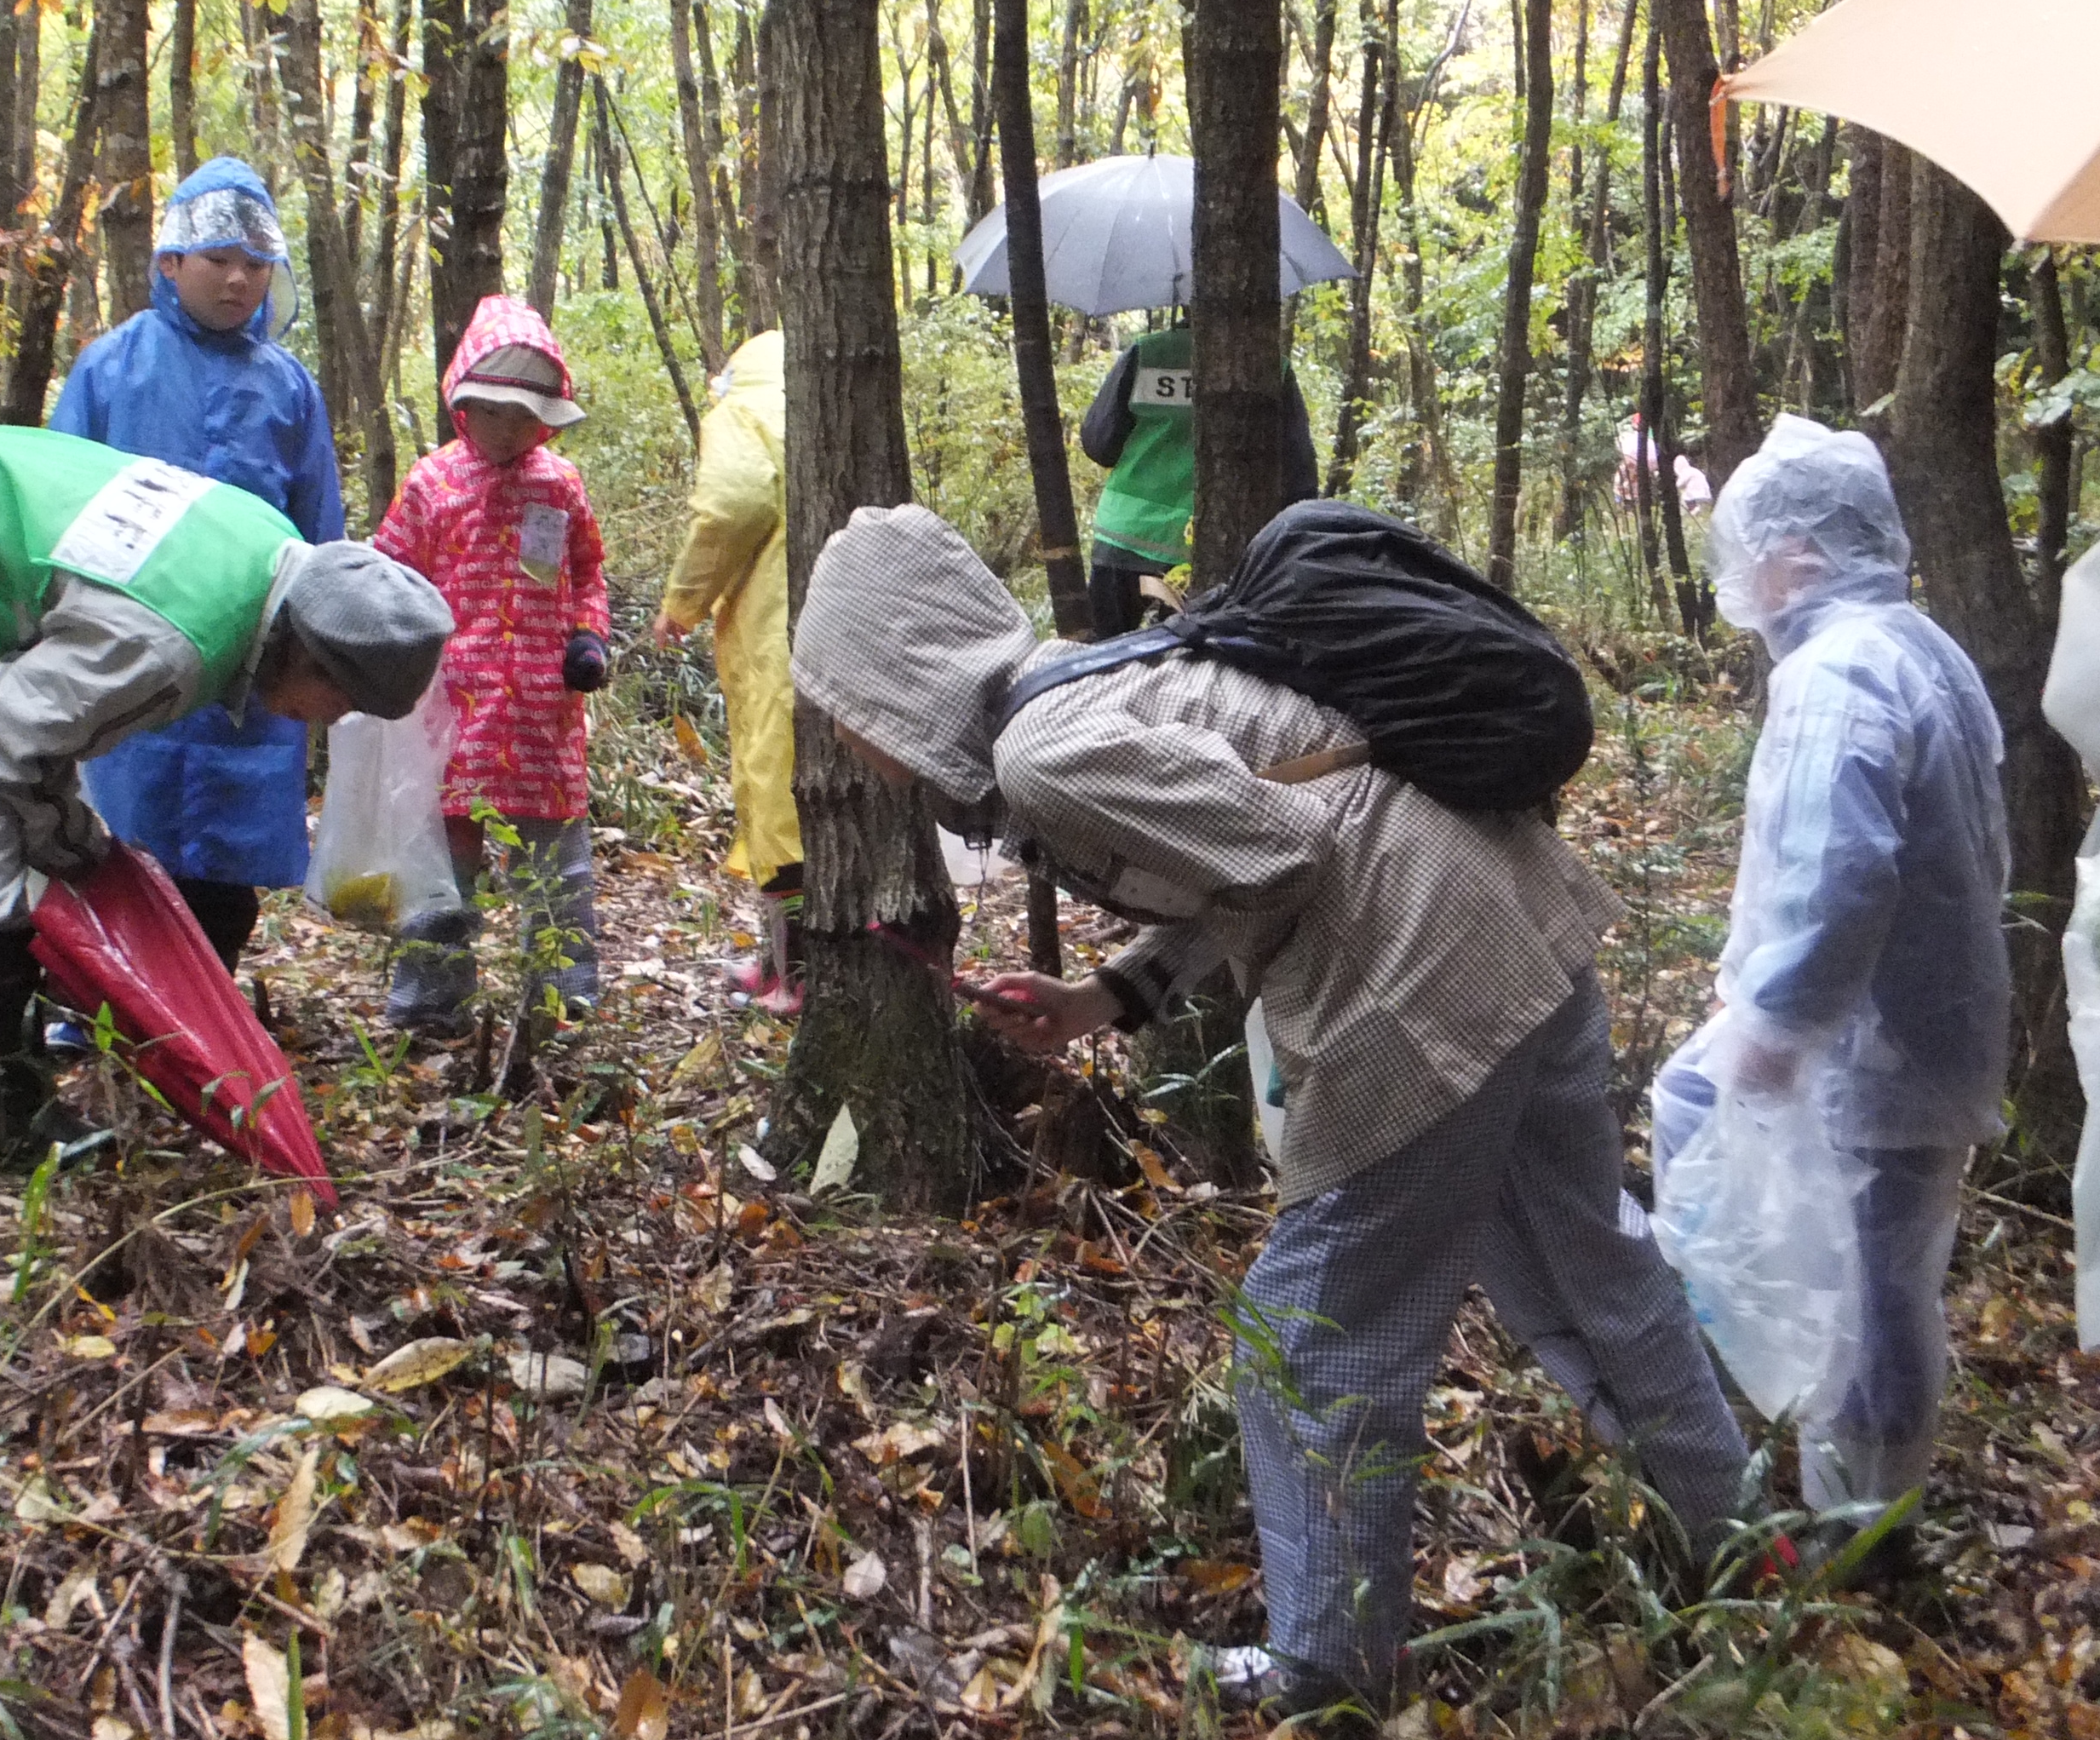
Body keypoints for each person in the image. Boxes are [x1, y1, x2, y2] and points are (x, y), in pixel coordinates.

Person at [790, 502, 1747, 1714]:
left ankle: (1330, 1673)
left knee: (1311, 1329)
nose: (849, 738)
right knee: (1588, 1256)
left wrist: (1177, 930)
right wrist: (1105, 997)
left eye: (846, 705)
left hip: (1423, 966)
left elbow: (1279, 853)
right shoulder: (1094, 684)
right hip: (1511, 915)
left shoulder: (1045, 756)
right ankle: (1740, 1543)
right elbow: (1254, 834)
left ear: (895, 684)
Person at [0, 425, 451, 1163]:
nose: (327, 722)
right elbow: (11, 732)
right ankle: (0, 1123)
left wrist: (70, 840)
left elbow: (42, 722)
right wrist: (70, 846)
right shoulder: (172, 644)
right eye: (339, 703)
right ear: (314, 658)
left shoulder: (272, 555)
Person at [1698, 415, 2009, 1530]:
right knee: (1891, 1285)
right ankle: (1880, 1507)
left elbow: (1841, 866)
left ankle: (1861, 1534)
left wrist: (1777, 1026)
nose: (1744, 583)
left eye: (1750, 556)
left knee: (1864, 1298)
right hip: (1924, 1031)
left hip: (1868, 1049)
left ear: (1800, 555)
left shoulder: (1837, 673)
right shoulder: (1922, 647)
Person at [49, 158, 343, 978]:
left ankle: (202, 1005)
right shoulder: (112, 367)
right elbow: (57, 502)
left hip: (248, 664)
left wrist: (320, 652)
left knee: (227, 860)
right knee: (116, 834)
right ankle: (99, 1001)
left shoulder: (288, 388)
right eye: (218, 259)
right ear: (172, 263)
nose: (238, 279)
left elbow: (319, 527)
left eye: (256, 264)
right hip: (121, 642)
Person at [373, 296, 613, 1034]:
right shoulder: (431, 484)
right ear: (463, 405)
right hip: (455, 712)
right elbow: (388, 572)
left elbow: (588, 575)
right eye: (495, 410)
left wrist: (588, 639)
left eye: (525, 414)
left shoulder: (559, 486)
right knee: (446, 870)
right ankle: (430, 1005)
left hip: (543, 714)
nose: (509, 428)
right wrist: (389, 661)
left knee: (558, 869)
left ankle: (565, 1000)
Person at [651, 330, 803, 1014]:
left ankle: (795, 975)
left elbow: (735, 503)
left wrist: (682, 603)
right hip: (832, 623)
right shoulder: (813, 412)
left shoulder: (741, 414)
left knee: (778, 799)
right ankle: (782, 963)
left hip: (779, 633)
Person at [1079, 317, 1322, 637]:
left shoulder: (1148, 353)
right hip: (1211, 547)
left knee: (1101, 656)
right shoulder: (1271, 368)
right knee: (1192, 661)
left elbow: (1100, 444)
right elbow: (1299, 475)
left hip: (1125, 534)